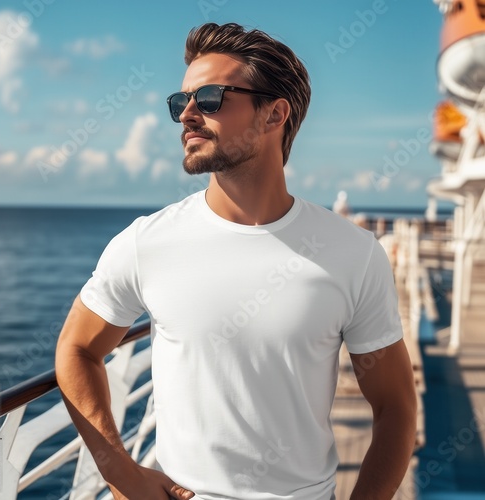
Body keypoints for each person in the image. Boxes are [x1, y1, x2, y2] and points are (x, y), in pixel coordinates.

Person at [55, 22, 417, 500]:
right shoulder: (147, 242)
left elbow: (394, 405)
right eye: (180, 101)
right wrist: (121, 473)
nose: (186, 114)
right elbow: (77, 349)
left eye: (208, 98)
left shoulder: (352, 253)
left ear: (274, 114)